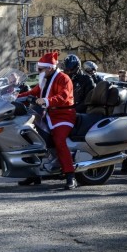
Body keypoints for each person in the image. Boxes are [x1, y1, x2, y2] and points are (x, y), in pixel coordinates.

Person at [18, 52, 77, 190]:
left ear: (49, 68)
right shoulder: (45, 79)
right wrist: (16, 96)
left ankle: (70, 176)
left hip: (64, 115)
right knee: (31, 136)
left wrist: (46, 100)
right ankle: (35, 174)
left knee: (59, 140)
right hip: (48, 114)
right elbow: (34, 91)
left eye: (40, 69)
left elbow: (63, 96)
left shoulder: (64, 78)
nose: (38, 71)